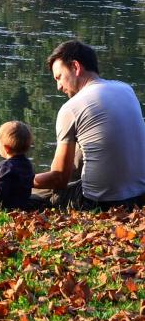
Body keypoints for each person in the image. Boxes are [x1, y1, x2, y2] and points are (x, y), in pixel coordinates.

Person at [32, 40, 145, 210]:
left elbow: (59, 179)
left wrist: (19, 179)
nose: (58, 86)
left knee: (33, 194)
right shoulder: (126, 89)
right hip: (140, 197)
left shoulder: (71, 108)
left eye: (59, 77)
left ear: (75, 67)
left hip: (100, 203)